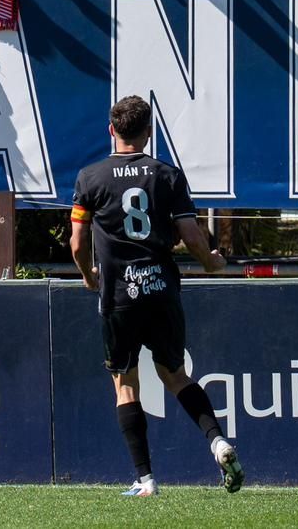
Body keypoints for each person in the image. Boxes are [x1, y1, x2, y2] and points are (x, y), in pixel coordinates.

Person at [69, 94, 243, 497]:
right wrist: (211, 262)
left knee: (125, 384)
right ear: (149, 133)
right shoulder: (168, 176)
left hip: (119, 295)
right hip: (162, 291)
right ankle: (217, 441)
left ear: (111, 130)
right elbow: (192, 235)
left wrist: (87, 274)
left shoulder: (90, 177)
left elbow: (77, 241)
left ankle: (145, 480)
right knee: (176, 375)